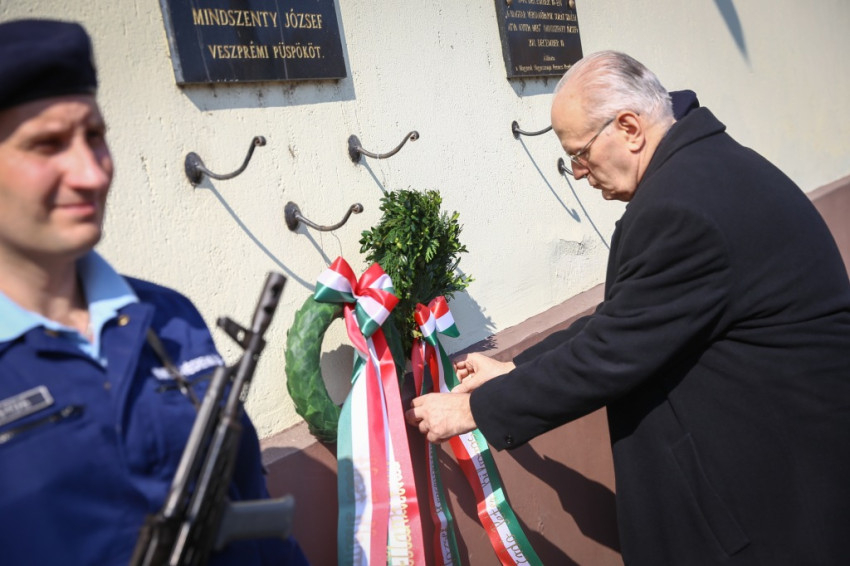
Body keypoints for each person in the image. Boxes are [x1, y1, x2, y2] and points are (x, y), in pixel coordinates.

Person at [407, 50, 850, 565]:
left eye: (580, 154)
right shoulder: (705, 171)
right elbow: (633, 316)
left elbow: (612, 351)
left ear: (629, 128)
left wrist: (472, 409)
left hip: (769, 512)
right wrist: (513, 369)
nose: (578, 173)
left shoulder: (682, 207)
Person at [0, 18, 308, 565]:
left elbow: (248, 502)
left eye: (95, 137)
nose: (91, 173)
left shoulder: (167, 316)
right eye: (47, 144)